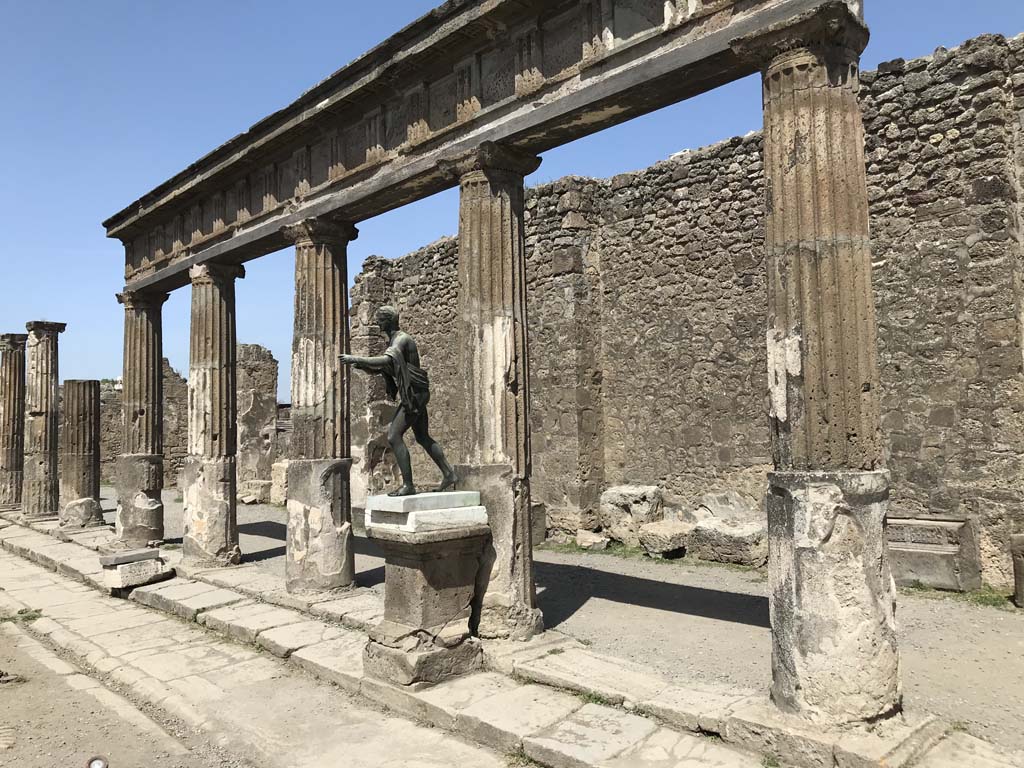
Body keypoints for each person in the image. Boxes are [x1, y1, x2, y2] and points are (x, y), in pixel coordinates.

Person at [340, 305, 458, 497]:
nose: (377, 323)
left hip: (414, 395)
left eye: (380, 319)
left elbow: (387, 361)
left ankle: (408, 485)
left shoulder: (402, 339)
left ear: (390, 320)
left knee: (394, 436)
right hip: (416, 394)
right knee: (422, 437)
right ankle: (449, 473)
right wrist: (361, 366)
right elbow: (386, 369)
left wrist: (358, 358)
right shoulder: (394, 340)